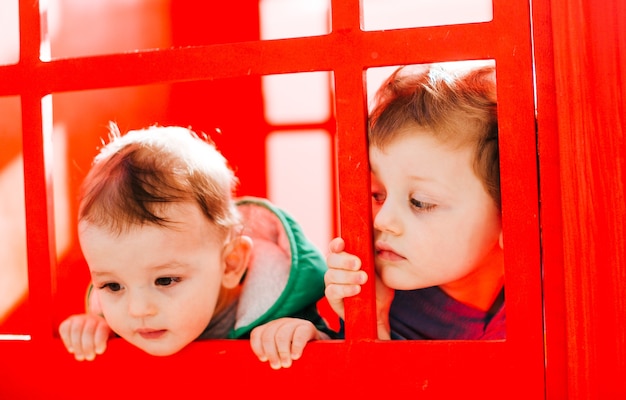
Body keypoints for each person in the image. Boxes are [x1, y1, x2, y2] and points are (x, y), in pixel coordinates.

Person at [59, 123, 335, 369]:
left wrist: (311, 338)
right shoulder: (119, 322)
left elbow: (344, 370)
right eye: (112, 286)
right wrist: (95, 329)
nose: (138, 309)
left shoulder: (281, 305)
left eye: (165, 280)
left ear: (230, 264)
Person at [324, 62, 506, 340]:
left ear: (508, 215)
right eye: (377, 195)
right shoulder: (379, 300)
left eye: (420, 202)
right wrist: (374, 325)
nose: (382, 220)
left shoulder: (556, 297)